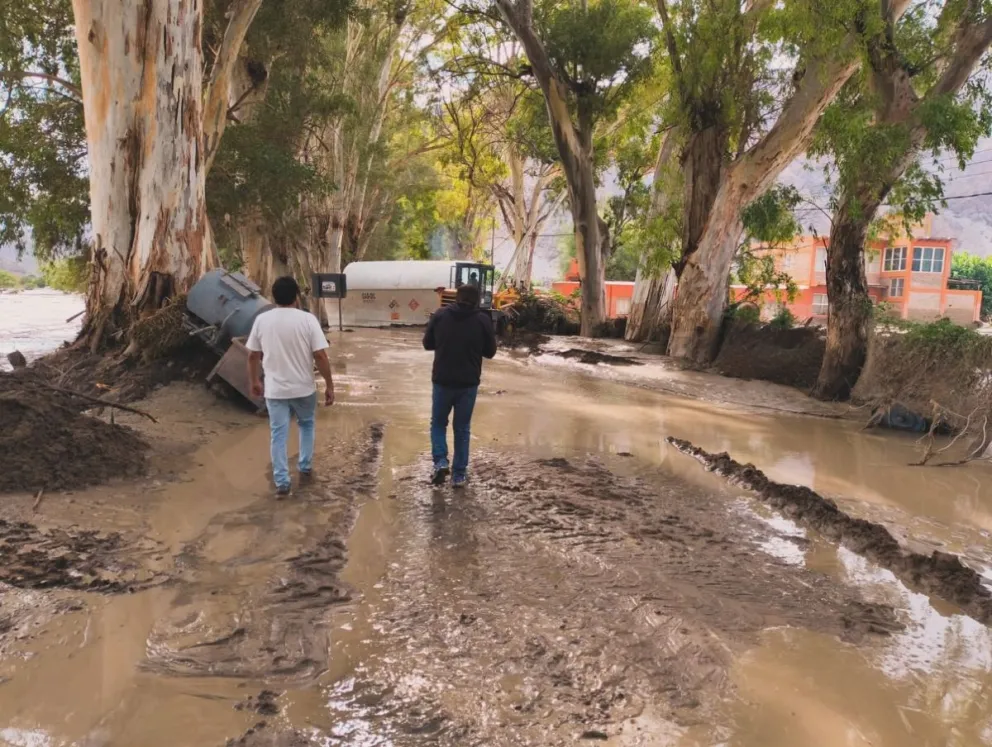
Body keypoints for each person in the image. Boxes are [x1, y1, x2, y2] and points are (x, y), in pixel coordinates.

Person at [247, 276, 334, 497]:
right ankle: (304, 467)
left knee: (278, 434)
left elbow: (252, 356)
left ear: (273, 296)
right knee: (306, 425)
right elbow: (321, 356)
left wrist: (254, 380)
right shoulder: (308, 320)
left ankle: (282, 483)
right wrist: (329, 385)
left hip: (275, 391)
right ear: (296, 296)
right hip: (304, 388)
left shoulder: (262, 321)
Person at [423, 283, 497, 487]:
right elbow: (490, 352)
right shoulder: (483, 319)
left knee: (438, 423)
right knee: (462, 428)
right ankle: (458, 475)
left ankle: (440, 462)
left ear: (457, 297)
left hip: (442, 381)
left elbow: (427, 344)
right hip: (468, 383)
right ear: (477, 300)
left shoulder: (440, 315)